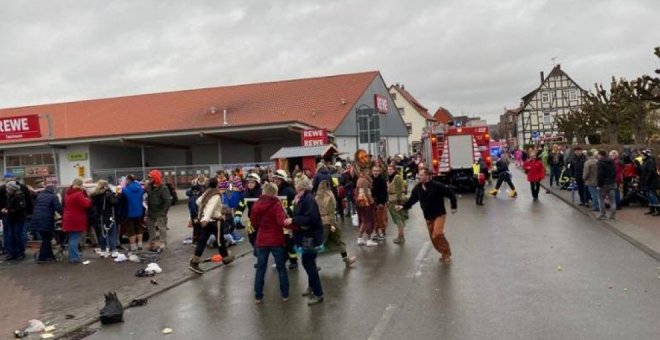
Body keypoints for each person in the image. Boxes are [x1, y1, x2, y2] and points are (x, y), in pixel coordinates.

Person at [396, 168, 457, 264]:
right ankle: (443, 253)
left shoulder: (437, 186)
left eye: (421, 175)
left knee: (437, 234)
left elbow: (451, 194)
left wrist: (454, 207)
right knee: (433, 238)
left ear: (428, 176)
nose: (419, 177)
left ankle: (447, 253)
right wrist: (403, 206)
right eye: (419, 175)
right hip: (428, 216)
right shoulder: (418, 188)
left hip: (439, 214)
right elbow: (412, 200)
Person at [285, 176, 325, 306]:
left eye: (297, 184)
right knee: (308, 262)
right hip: (305, 235)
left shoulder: (308, 199)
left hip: (310, 236)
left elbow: (310, 218)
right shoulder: (301, 198)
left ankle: (318, 293)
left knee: (308, 263)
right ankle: (312, 287)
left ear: (301, 186)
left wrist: (293, 220)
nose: (295, 186)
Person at [251, 182, 293, 304]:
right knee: (281, 268)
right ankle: (285, 295)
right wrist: (293, 225)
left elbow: (253, 223)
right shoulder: (277, 205)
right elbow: (282, 221)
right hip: (276, 240)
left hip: (262, 240)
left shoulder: (256, 205)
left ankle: (258, 296)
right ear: (275, 193)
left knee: (261, 269)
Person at [188, 177, 235, 274]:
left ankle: (194, 261)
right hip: (215, 222)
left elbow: (198, 202)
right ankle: (226, 258)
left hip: (208, 221)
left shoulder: (207, 193)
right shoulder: (216, 195)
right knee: (220, 241)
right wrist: (206, 218)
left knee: (202, 241)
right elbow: (211, 207)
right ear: (217, 185)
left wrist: (206, 214)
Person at [315, 180, 357, 267]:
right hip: (328, 222)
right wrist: (333, 224)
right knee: (336, 240)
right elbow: (331, 212)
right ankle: (346, 260)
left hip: (319, 222)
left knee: (322, 242)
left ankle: (346, 259)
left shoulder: (316, 197)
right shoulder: (329, 197)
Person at [1, 177, 34, 261]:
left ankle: (14, 252)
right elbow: (28, 202)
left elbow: (21, 207)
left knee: (13, 235)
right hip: (13, 216)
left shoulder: (16, 195)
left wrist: (7, 211)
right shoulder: (16, 192)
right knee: (16, 234)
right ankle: (16, 253)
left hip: (15, 217)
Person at [29, 182, 63, 263]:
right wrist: (64, 215)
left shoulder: (40, 196)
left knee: (47, 238)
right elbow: (58, 207)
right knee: (47, 239)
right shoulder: (53, 196)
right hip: (46, 220)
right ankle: (42, 257)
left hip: (36, 219)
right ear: (53, 189)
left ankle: (49, 255)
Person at [273, 169, 299, 269]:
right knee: (280, 242)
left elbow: (295, 204)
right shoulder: (274, 191)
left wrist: (288, 209)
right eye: (274, 179)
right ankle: (284, 259)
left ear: (282, 180)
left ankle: (294, 260)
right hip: (278, 222)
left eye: (278, 179)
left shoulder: (289, 191)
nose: (276, 181)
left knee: (289, 242)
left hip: (287, 221)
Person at [235, 173, 263, 265]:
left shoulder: (262, 193)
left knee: (261, 240)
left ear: (257, 183)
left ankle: (261, 259)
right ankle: (259, 255)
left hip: (262, 220)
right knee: (251, 238)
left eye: (252, 182)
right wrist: (237, 216)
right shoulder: (245, 194)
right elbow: (240, 207)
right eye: (249, 182)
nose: (250, 184)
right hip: (250, 220)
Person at [62, 178, 92, 263]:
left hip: (69, 218)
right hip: (76, 218)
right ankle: (74, 257)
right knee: (74, 238)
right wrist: (88, 199)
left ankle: (74, 254)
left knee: (72, 238)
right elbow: (85, 205)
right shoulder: (78, 194)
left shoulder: (68, 193)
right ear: (80, 185)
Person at [90, 180, 120, 258]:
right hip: (109, 216)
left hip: (99, 217)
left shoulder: (94, 195)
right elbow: (115, 202)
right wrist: (118, 194)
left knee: (102, 234)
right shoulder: (108, 194)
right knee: (111, 233)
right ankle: (113, 250)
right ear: (106, 186)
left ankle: (103, 250)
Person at [145, 169, 172, 251]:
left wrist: (164, 212)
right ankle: (152, 242)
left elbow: (167, 201)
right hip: (150, 211)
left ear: (155, 177)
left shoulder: (163, 188)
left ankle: (163, 243)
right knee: (150, 227)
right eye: (149, 177)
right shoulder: (149, 186)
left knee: (161, 227)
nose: (149, 179)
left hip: (160, 211)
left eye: (151, 177)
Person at [121, 175, 145, 252]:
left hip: (129, 213)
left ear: (128, 180)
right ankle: (140, 245)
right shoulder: (140, 188)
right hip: (139, 212)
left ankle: (133, 247)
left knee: (131, 230)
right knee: (139, 228)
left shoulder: (125, 190)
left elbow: (120, 200)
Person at [355, 167, 378, 246]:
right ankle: (369, 239)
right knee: (369, 220)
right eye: (367, 171)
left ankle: (360, 238)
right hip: (366, 201)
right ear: (364, 171)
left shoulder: (359, 179)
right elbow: (366, 192)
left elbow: (357, 191)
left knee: (364, 220)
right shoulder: (364, 180)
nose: (369, 172)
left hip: (359, 201)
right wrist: (372, 200)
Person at [387, 164, 408, 244]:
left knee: (399, 218)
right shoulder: (391, 177)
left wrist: (398, 202)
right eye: (388, 170)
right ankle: (400, 236)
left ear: (394, 170)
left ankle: (401, 237)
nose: (389, 171)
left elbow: (399, 190)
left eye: (391, 169)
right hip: (393, 200)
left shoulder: (397, 177)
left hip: (396, 200)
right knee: (397, 219)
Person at [596, 150, 617, 220]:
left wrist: (599, 185)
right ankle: (612, 215)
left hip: (603, 184)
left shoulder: (600, 163)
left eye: (598, 155)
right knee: (612, 200)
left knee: (601, 199)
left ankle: (603, 214)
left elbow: (600, 175)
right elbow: (615, 172)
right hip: (612, 183)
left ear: (600, 155)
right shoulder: (612, 162)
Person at [371, 165, 388, 241]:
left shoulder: (382, 180)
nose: (375, 172)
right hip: (373, 201)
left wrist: (382, 202)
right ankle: (376, 233)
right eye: (374, 171)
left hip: (380, 201)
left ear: (379, 171)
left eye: (377, 171)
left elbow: (385, 192)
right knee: (374, 218)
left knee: (381, 218)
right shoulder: (371, 179)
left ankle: (383, 233)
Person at [639, 149, 659, 216]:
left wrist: (646, 180)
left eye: (642, 154)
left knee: (653, 195)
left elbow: (651, 172)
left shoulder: (650, 161)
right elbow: (643, 171)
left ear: (646, 155)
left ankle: (658, 210)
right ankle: (652, 209)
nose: (641, 156)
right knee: (648, 195)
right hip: (646, 181)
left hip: (651, 182)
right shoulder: (645, 161)